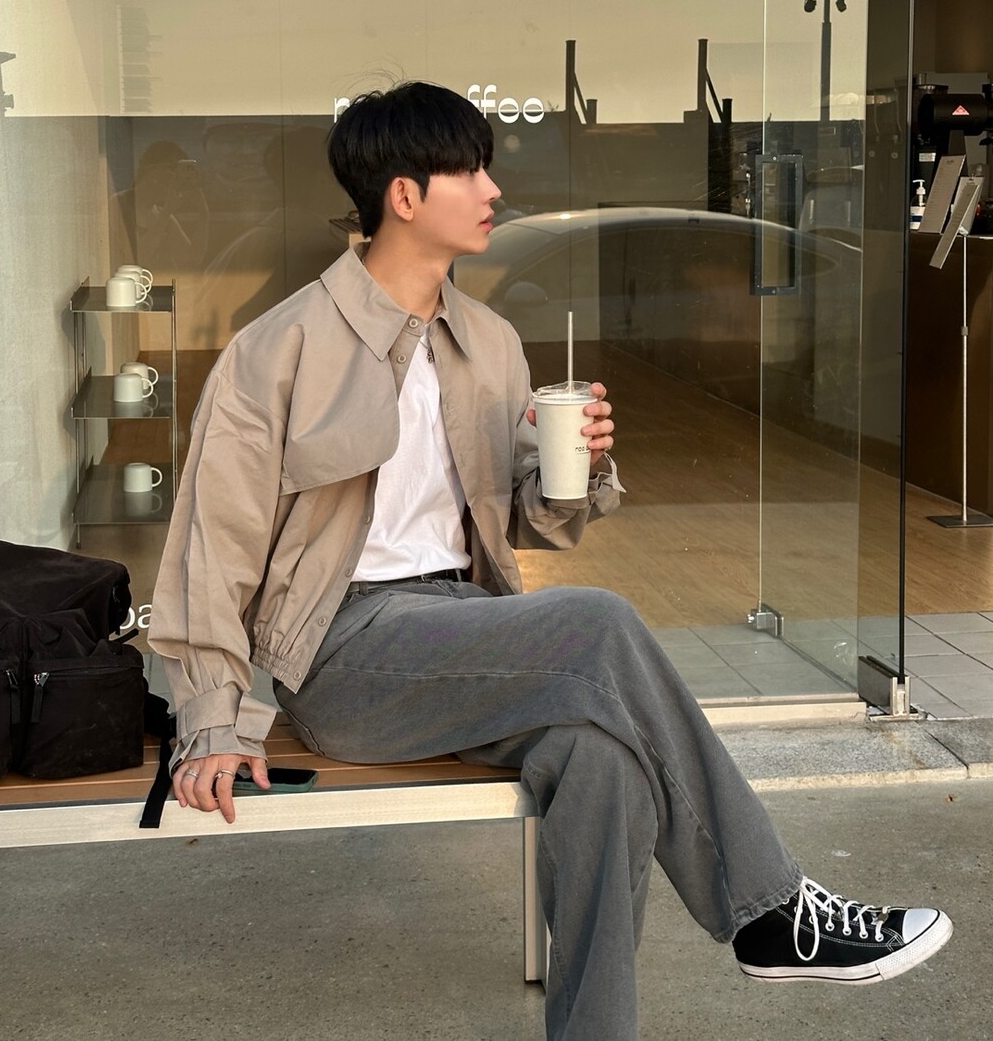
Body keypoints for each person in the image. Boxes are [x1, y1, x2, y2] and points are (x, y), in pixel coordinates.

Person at [149, 81, 952, 1040]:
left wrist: (581, 469)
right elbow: (212, 544)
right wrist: (210, 719)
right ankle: (771, 908)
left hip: (469, 627)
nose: (493, 189)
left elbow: (529, 519)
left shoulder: (488, 343)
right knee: (599, 621)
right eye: (469, 170)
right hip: (345, 652)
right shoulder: (278, 349)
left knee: (604, 761)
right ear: (403, 196)